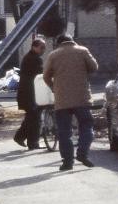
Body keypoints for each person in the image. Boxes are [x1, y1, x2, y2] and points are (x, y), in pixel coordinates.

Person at [42, 33, 98, 171]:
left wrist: (53, 88)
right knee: (86, 125)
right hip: (82, 98)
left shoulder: (53, 55)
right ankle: (82, 153)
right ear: (72, 41)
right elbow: (94, 67)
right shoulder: (82, 51)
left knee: (64, 131)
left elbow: (46, 76)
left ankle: (67, 162)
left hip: (62, 100)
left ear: (59, 43)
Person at [13, 37, 46, 150]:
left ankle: (24, 138)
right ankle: (30, 141)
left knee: (32, 117)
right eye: (41, 47)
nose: (43, 50)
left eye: (44, 48)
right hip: (31, 93)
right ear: (34, 47)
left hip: (27, 93)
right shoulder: (35, 59)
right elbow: (40, 76)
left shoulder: (29, 57)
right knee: (34, 118)